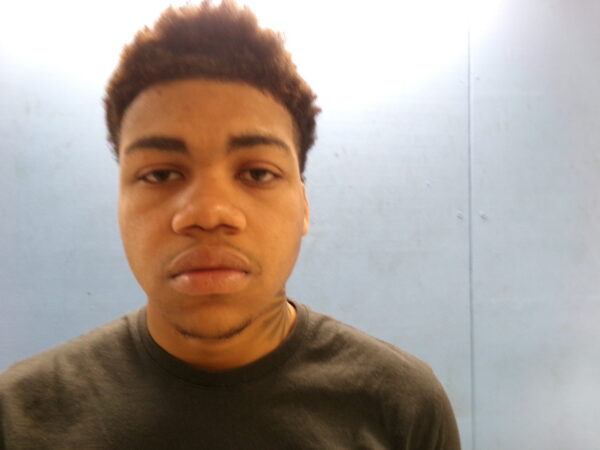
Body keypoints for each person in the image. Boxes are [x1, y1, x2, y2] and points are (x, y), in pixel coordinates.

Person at [0, 1, 461, 448]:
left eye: (257, 173)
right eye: (160, 174)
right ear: (120, 202)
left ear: (303, 206)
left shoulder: (401, 406)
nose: (207, 213)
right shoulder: (19, 416)